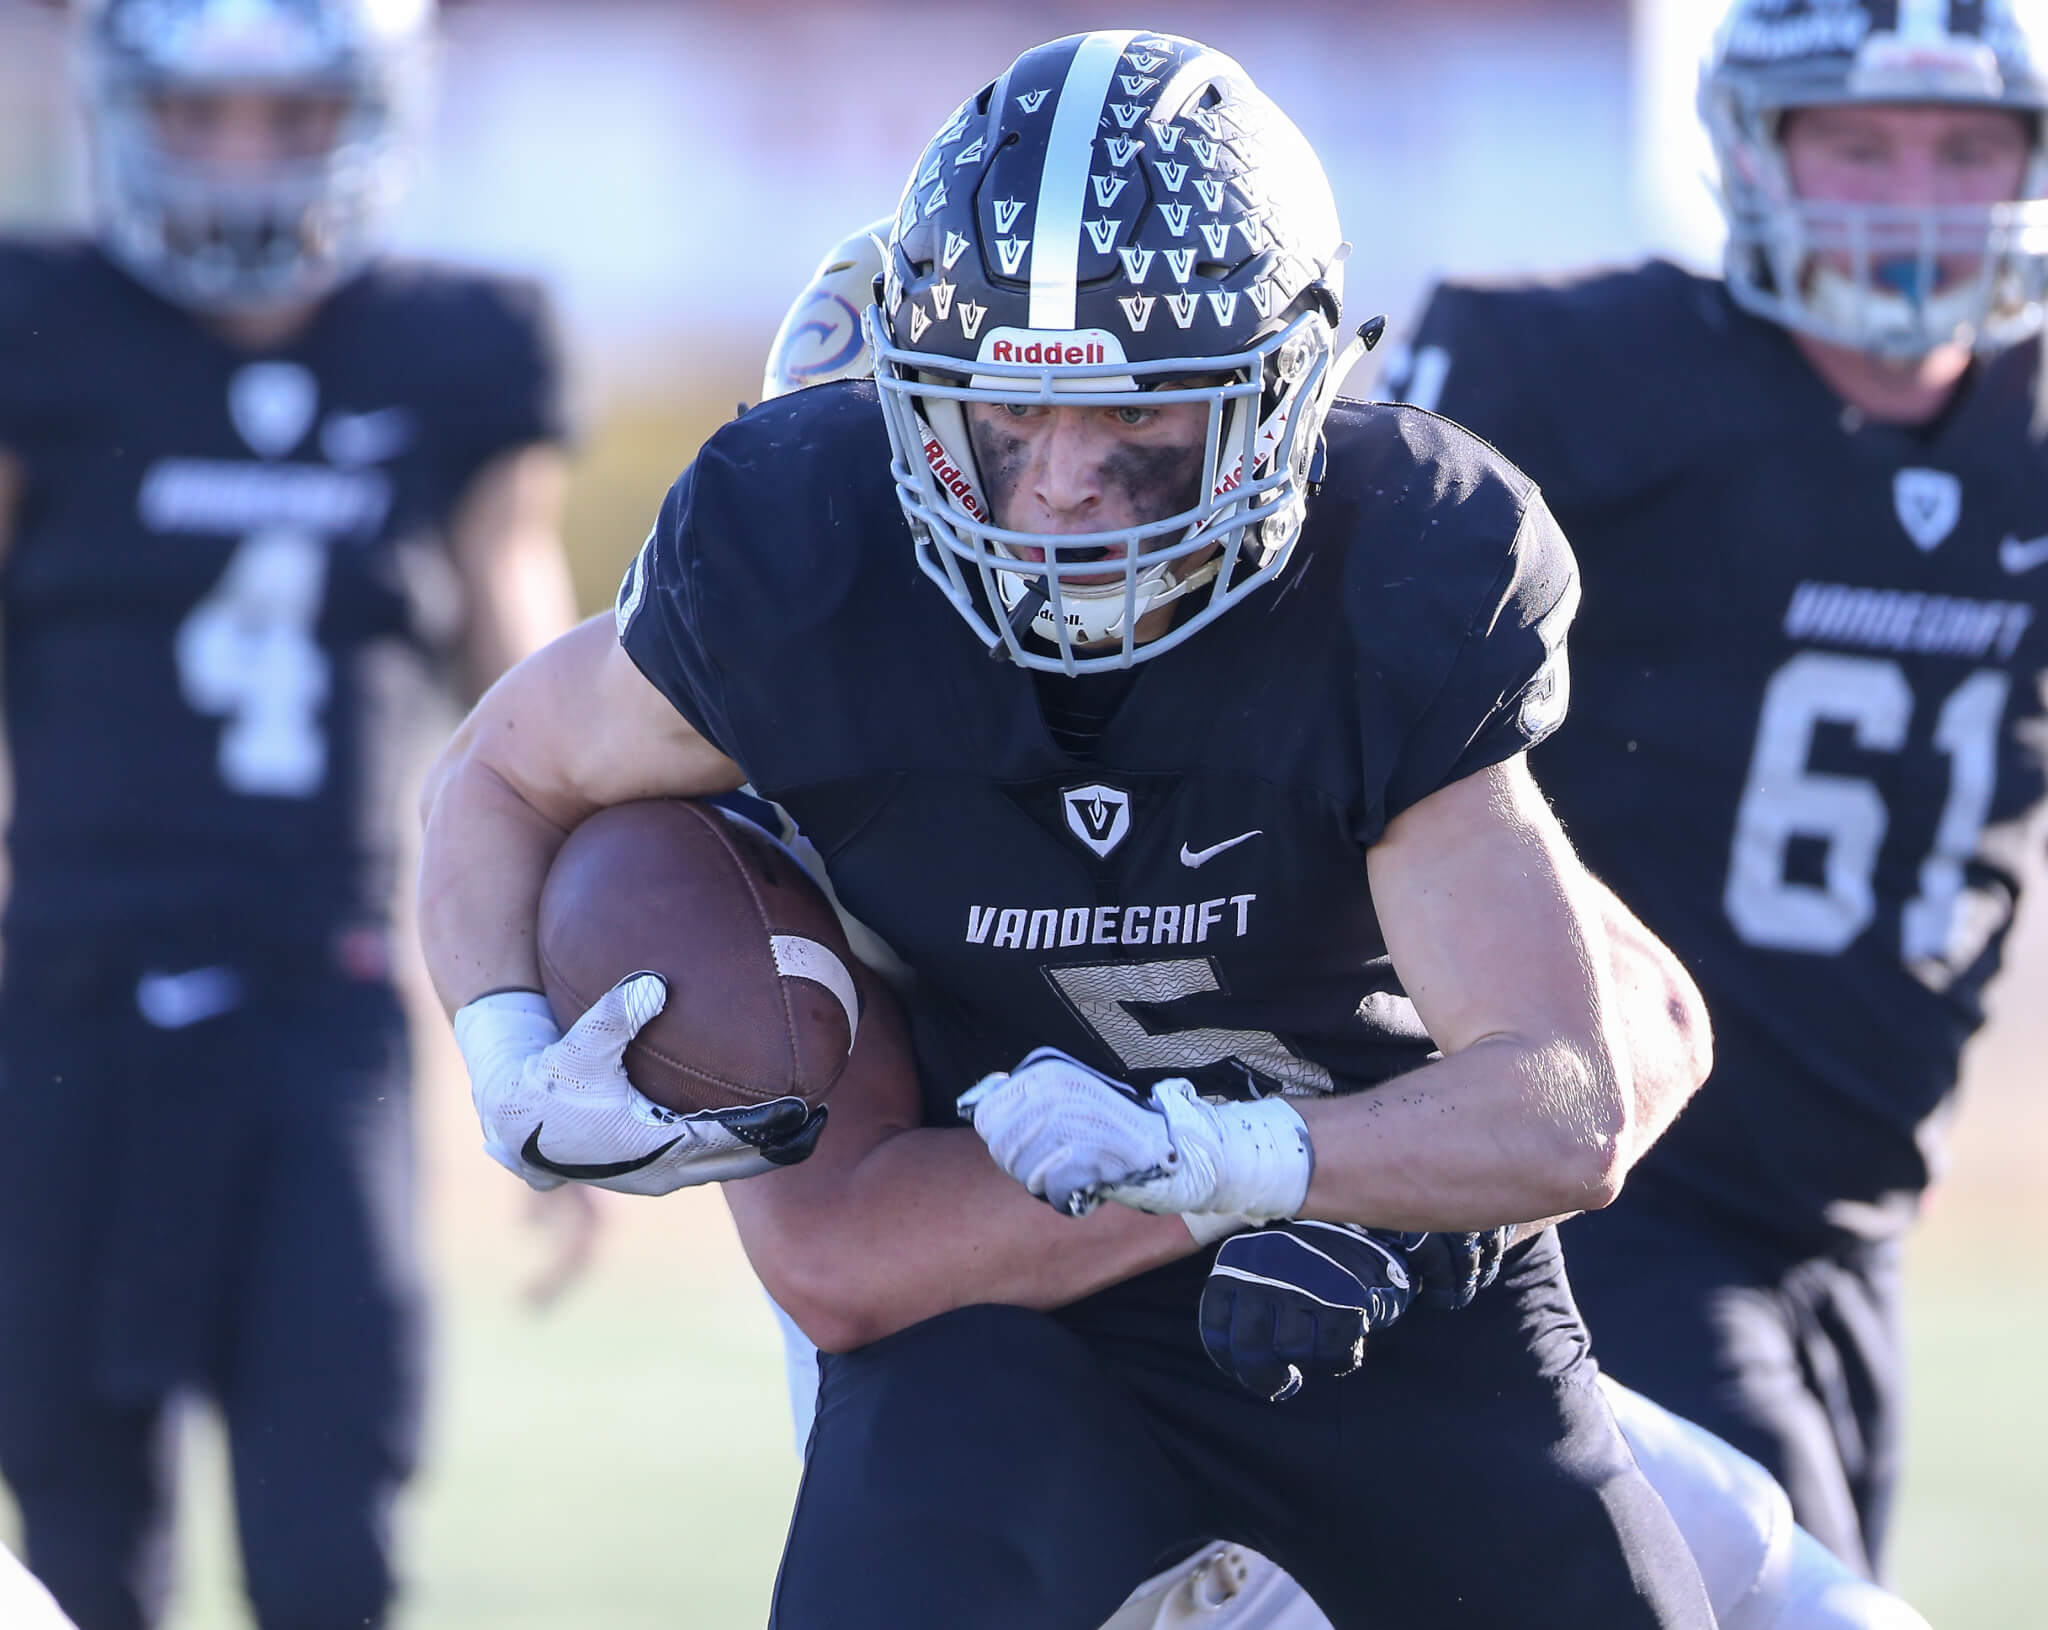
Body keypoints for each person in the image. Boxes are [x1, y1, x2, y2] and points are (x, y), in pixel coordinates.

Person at [422, 29, 1723, 1628]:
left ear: (1289, 397)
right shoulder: (800, 584)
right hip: (1004, 1330)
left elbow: (1584, 1078)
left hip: (1378, 1284)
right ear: (898, 407)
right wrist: (499, 1056)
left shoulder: (1394, 577)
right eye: (1004, 423)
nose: (1060, 495)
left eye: (1143, 426)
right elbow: (844, 1254)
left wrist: (1261, 1164)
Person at [730, 219, 1943, 1630]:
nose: (1027, 526)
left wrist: (1368, 1195)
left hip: (1361, 1387)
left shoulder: (1295, 702)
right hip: (1048, 1468)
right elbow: (851, 1254)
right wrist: (1285, 1179)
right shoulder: (784, 814)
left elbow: (1642, 1023)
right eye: (959, 465)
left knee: (1803, 1588)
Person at [1381, 0, 2048, 1582]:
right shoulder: (1580, 379)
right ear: (1757, 151)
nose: (1913, 196)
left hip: (1850, 1209)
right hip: (1614, 1176)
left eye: (1967, 150)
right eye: (1862, 146)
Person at [0, 3, 577, 1627]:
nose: (245, 154)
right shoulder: (38, 324)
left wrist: (582, 1018)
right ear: (126, 111)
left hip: (322, 1014)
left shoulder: (463, 347)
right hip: (61, 1016)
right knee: (77, 1553)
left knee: (336, 1540)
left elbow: (537, 723)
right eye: (202, 111)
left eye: (285, 109)